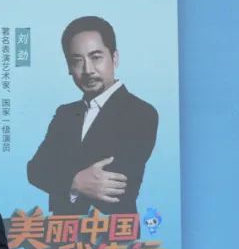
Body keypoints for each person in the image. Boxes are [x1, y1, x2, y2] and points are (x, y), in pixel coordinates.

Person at [26, 16, 158, 216]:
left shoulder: (141, 112)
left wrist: (61, 174)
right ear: (68, 67)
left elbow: (119, 186)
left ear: (114, 58)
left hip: (112, 230)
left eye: (96, 57)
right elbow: (35, 170)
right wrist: (75, 182)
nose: (87, 70)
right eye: (77, 61)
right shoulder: (65, 114)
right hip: (62, 230)